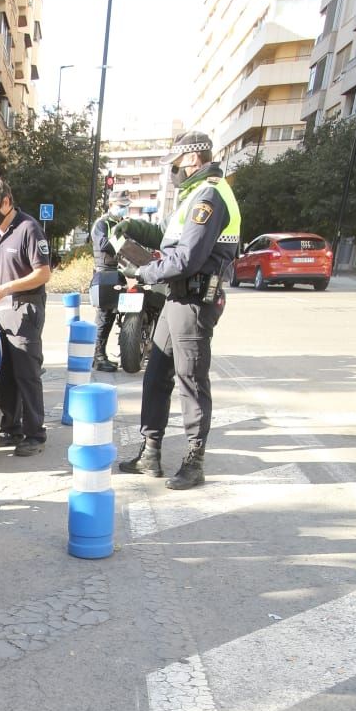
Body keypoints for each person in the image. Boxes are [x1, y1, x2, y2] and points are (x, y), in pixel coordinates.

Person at [117, 130, 241, 490]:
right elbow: (171, 240)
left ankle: (194, 459)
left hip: (195, 301)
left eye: (175, 164)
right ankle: (150, 452)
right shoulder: (194, 196)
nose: (174, 171)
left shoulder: (210, 196)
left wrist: (142, 272)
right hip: (177, 299)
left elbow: (187, 258)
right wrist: (137, 228)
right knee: (156, 374)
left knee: (191, 380)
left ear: (191, 160)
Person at [0, 175, 52, 457]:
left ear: (6, 202)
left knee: (27, 374)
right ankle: (11, 428)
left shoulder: (28, 229)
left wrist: (6, 288)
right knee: (4, 375)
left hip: (24, 309)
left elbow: (43, 273)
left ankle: (35, 433)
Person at [89, 209, 125, 372]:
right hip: (104, 273)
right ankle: (97, 358)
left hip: (114, 272)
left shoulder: (118, 223)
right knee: (103, 318)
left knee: (109, 317)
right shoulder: (101, 224)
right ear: (111, 204)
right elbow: (103, 244)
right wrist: (122, 243)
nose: (123, 208)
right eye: (120, 204)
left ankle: (101, 354)